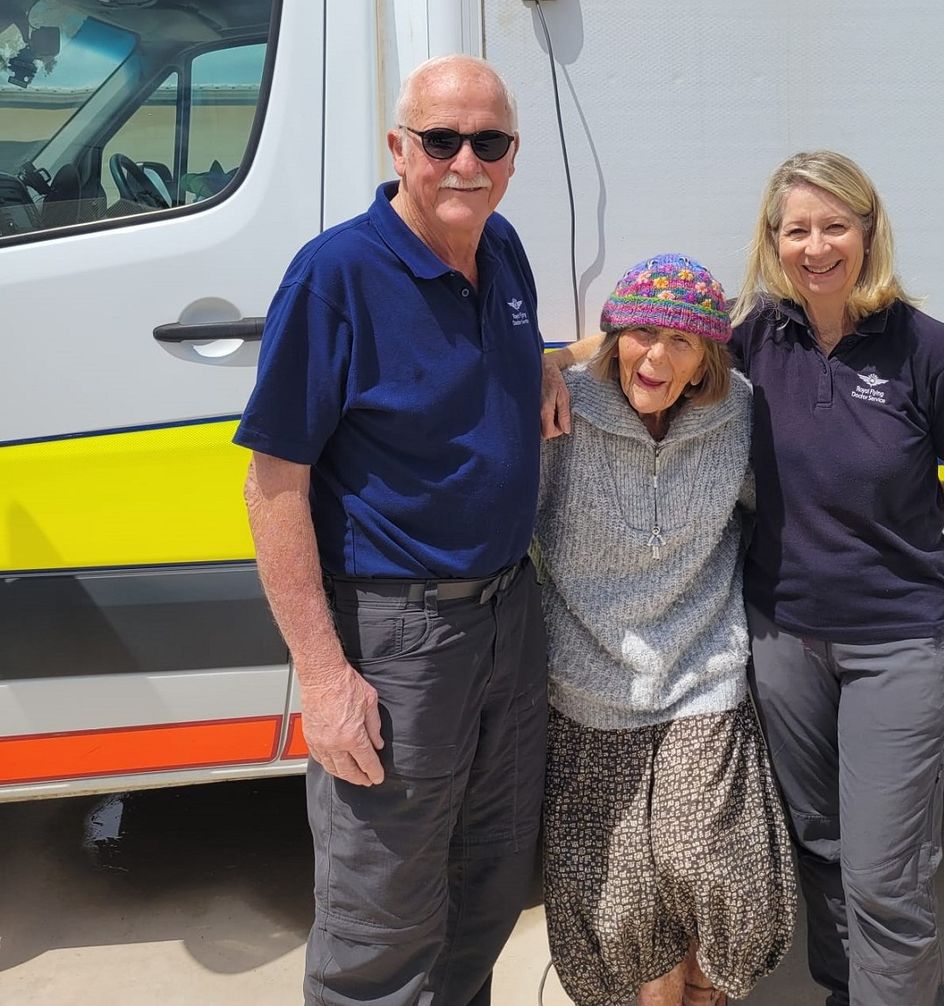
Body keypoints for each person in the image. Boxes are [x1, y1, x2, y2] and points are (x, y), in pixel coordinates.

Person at [234, 55, 547, 1006]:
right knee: (382, 923)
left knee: (489, 886)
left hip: (508, 619)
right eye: (441, 140)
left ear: (511, 155)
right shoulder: (337, 274)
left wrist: (543, 367)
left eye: (486, 143)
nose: (464, 162)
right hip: (398, 637)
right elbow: (273, 487)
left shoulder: (503, 252)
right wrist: (326, 680)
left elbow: (493, 354)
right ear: (397, 147)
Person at [727, 150, 944, 1005]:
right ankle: (853, 991)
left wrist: (884, 520)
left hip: (897, 642)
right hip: (782, 637)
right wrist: (551, 367)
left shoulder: (929, 349)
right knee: (819, 842)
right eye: (797, 229)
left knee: (886, 870)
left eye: (834, 226)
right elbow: (641, 340)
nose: (816, 246)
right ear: (774, 241)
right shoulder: (750, 340)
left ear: (868, 232)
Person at [536, 254, 796, 1006]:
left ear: (708, 356)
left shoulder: (739, 414)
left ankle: (706, 992)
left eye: (680, 341)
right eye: (641, 332)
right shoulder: (565, 410)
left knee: (714, 866)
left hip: (700, 671)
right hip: (588, 680)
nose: (656, 356)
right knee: (619, 895)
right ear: (612, 335)